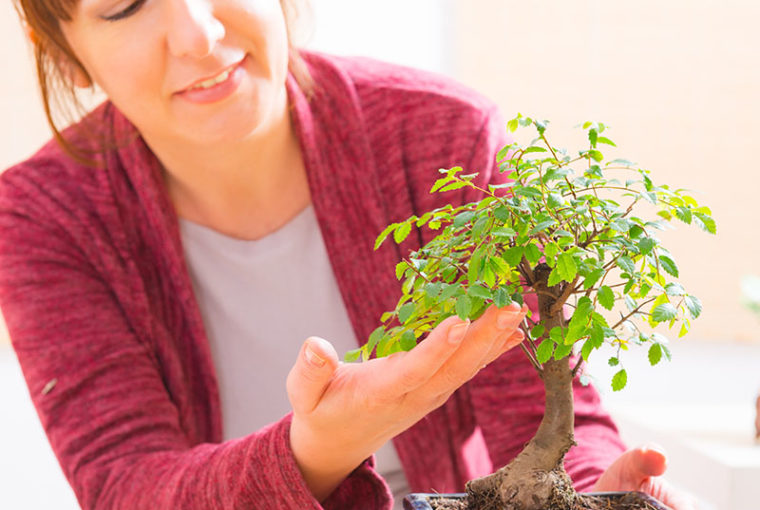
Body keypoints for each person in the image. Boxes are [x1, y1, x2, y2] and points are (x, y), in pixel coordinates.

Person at [0, 1, 697, 509]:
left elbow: (545, 411)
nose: (200, 36)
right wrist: (320, 449)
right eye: (123, 6)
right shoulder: (45, 217)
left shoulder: (440, 135)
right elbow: (126, 486)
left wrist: (593, 495)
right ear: (60, 43)